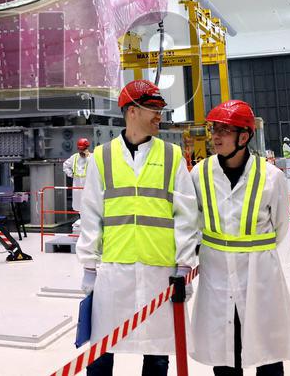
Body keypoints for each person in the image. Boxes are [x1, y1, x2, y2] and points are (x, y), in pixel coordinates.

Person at [77, 79, 197, 376]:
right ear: (132, 111)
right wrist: (89, 267)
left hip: (161, 272)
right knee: (101, 350)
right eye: (153, 109)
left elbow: (186, 216)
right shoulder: (102, 157)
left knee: (157, 354)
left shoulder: (171, 155)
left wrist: (184, 266)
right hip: (113, 271)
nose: (159, 115)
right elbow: (91, 215)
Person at [190, 100, 290, 375]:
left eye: (224, 130)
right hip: (216, 276)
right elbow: (193, 221)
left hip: (259, 277)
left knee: (267, 353)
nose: (216, 136)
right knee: (226, 354)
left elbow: (280, 227)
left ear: (244, 137)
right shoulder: (199, 174)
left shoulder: (271, 177)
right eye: (214, 129)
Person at [64, 137, 92, 231]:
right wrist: (71, 174)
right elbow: (65, 166)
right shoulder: (74, 157)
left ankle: (89, 223)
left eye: (82, 149)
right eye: (79, 149)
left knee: (89, 205)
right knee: (78, 205)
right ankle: (80, 221)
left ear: (86, 148)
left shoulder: (92, 157)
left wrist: (89, 157)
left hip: (88, 186)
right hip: (77, 186)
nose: (81, 151)